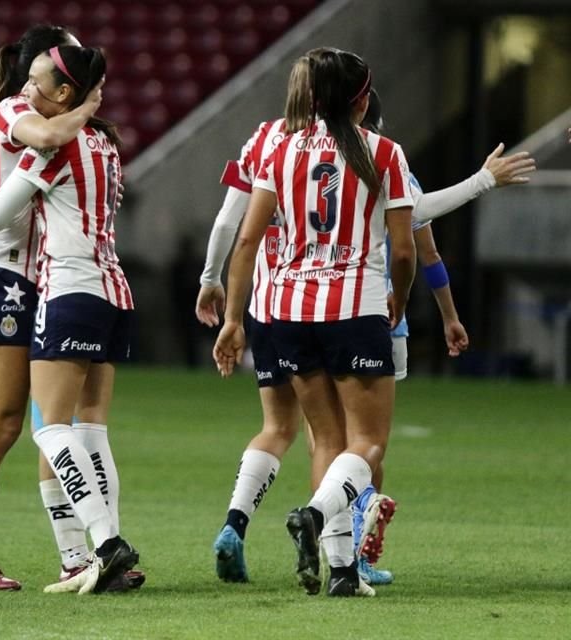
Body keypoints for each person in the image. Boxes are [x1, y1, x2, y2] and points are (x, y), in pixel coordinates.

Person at [215, 48, 415, 597]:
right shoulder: (384, 153)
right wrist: (399, 296)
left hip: (288, 313)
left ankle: (343, 572)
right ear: (362, 100)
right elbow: (403, 250)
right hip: (354, 308)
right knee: (367, 443)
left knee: (325, 439)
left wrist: (235, 317)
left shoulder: (279, 151)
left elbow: (248, 240)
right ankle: (314, 513)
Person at [0, 25, 111, 591]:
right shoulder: (16, 105)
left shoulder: (25, 108)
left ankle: (75, 557)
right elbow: (47, 136)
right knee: (5, 421)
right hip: (4, 274)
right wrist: (89, 104)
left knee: (49, 422)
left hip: (38, 275)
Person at [349, 89, 536, 586]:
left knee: (330, 438)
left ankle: (342, 529)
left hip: (319, 313)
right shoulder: (392, 169)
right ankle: (354, 548)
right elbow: (420, 248)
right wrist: (449, 316)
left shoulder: (306, 163)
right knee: (369, 442)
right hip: (386, 316)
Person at [0, 44, 139, 595]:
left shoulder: (57, 147)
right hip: (114, 290)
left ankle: (107, 545)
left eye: (36, 83)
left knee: (49, 428)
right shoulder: (107, 143)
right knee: (92, 430)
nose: (25, 91)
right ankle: (113, 554)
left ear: (65, 95)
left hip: (68, 289)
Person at [196, 53, 320, 584]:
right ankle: (339, 551)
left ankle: (234, 527)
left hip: (266, 305)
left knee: (276, 427)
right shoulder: (346, 146)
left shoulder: (263, 138)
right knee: (329, 433)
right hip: (321, 303)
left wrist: (211, 280)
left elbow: (231, 219)